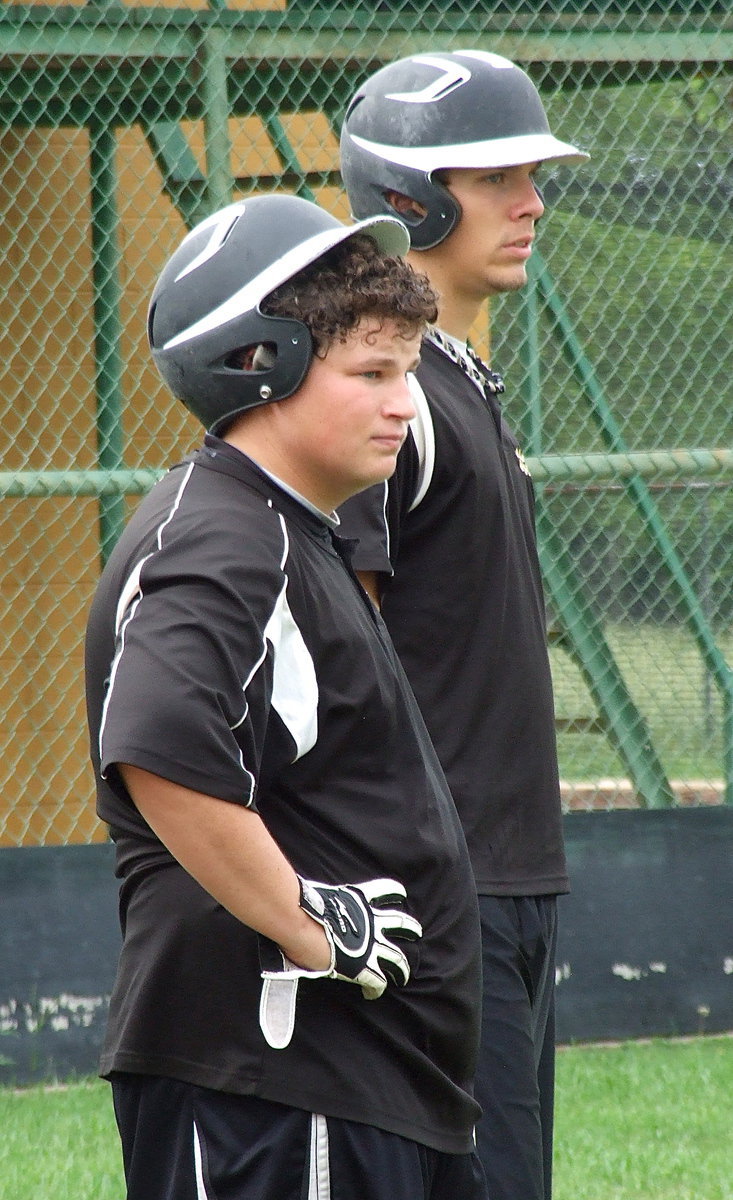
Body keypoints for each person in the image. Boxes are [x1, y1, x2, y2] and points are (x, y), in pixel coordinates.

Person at [84, 194, 488, 1200]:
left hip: (363, 1084)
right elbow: (160, 751)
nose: (407, 402)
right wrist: (310, 919)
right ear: (260, 364)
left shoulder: (291, 528)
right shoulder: (227, 538)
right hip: (278, 1090)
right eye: (373, 373)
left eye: (408, 370)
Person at [337, 49, 590, 1200]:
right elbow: (348, 648)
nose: (530, 202)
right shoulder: (390, 401)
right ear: (412, 194)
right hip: (444, 889)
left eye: (533, 175)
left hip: (514, 878)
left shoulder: (460, 380)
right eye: (497, 177)